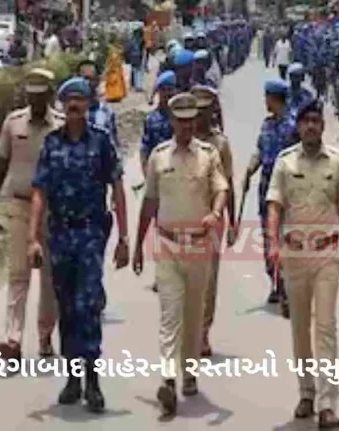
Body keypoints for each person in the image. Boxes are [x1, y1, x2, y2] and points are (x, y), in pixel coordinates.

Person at [28, 77, 129, 413]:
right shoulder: (52, 144)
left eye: (80, 99)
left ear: (88, 105)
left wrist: (124, 238)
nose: (74, 105)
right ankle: (73, 379)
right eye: (69, 99)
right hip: (59, 236)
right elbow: (40, 192)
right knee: (66, 308)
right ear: (62, 104)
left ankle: (93, 382)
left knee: (88, 306)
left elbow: (116, 187)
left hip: (89, 235)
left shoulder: (100, 143)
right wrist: (33, 239)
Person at [133, 92, 228, 418]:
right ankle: (169, 378)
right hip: (168, 245)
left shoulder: (209, 155)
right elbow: (149, 203)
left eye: (191, 121)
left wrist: (215, 214)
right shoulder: (159, 157)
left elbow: (221, 189)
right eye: (181, 122)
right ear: (172, 122)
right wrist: (137, 247)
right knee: (170, 314)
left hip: (199, 245)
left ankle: (188, 372)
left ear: (196, 121)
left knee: (192, 313)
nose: (187, 127)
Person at [266, 99, 339, 429]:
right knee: (299, 328)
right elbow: (274, 206)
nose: (312, 126)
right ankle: (306, 393)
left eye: (317, 121)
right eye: (306, 121)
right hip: (294, 255)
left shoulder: (338, 162)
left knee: (326, 327)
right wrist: (273, 244)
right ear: (299, 126)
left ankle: (328, 403)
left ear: (323, 125)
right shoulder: (285, 162)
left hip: (327, 252)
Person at [0, 69, 63, 363]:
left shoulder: (61, 126)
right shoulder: (13, 122)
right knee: (18, 275)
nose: (36, 101)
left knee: (49, 280)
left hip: (52, 213)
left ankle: (44, 338)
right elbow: (1, 165)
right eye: (31, 96)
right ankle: (12, 340)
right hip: (19, 207)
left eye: (41, 96)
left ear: (50, 95)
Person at [190, 84, 237, 357]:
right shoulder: (180, 139)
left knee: (208, 281)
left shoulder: (220, 144)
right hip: (183, 217)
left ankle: (203, 332)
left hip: (212, 219)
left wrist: (231, 222)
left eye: (206, 111)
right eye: (197, 111)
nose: (201, 117)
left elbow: (228, 183)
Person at [243, 79, 297, 317]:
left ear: (275, 98)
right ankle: (275, 282)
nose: (265, 101)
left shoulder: (293, 126)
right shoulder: (267, 125)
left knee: (285, 238)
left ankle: (286, 286)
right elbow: (260, 151)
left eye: (267, 97)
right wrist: (248, 171)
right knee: (268, 238)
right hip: (266, 189)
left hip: (288, 190)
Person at [78, 60, 121, 155]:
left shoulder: (105, 112)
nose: (86, 83)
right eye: (82, 79)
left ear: (97, 81)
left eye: (90, 79)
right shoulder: (69, 111)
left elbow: (113, 145)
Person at [141, 71, 177, 172]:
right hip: (158, 169)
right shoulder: (151, 119)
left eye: (170, 90)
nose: (167, 94)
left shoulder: (180, 117)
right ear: (159, 92)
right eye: (163, 90)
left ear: (175, 91)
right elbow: (145, 149)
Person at [126, 28, 145, 92]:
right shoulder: (140, 40)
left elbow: (127, 49)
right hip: (137, 57)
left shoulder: (131, 40)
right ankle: (138, 86)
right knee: (138, 72)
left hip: (133, 57)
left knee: (134, 71)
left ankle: (134, 85)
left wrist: (127, 58)